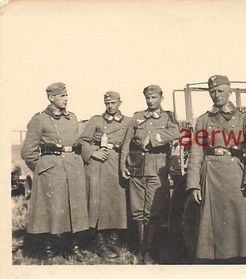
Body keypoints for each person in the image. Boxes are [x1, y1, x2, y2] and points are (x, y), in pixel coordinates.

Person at [185, 75, 246, 263]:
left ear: (229, 90)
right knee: (212, 232)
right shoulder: (203, 120)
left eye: (220, 90)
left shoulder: (244, 117)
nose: (216, 95)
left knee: (244, 227)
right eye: (212, 91)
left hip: (236, 177)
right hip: (210, 177)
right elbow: (196, 153)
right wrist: (193, 185)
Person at [21, 82, 89, 262]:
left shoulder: (72, 117)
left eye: (67, 95)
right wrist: (43, 169)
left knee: (72, 208)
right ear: (51, 97)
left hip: (73, 169)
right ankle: (48, 248)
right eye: (62, 95)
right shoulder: (40, 119)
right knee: (52, 209)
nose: (66, 98)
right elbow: (28, 152)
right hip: (51, 171)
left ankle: (71, 247)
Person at [120, 84, 179, 264]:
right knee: (137, 211)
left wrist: (153, 138)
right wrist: (123, 164)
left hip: (157, 167)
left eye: (154, 97)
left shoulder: (169, 117)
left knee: (152, 212)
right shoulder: (138, 117)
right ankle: (141, 249)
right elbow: (127, 142)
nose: (151, 101)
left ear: (161, 97)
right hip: (137, 167)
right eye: (148, 98)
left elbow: (175, 131)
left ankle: (148, 252)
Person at [78, 91, 130, 260]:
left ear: (119, 103)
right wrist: (94, 152)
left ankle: (112, 239)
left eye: (113, 103)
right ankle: (99, 243)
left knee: (115, 203)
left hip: (116, 163)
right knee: (97, 203)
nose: (110, 106)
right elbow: (82, 141)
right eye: (107, 103)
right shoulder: (96, 120)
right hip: (98, 164)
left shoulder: (128, 122)